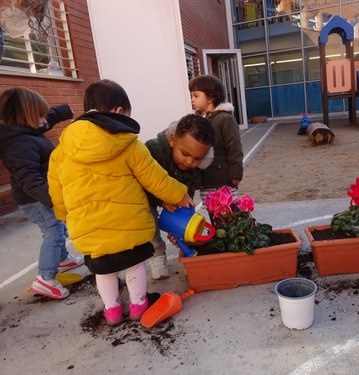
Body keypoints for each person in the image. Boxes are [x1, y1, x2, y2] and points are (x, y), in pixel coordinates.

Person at [47, 79, 192, 326]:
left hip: (88, 228)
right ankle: (138, 306)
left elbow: (56, 188)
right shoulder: (128, 144)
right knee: (134, 265)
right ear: (117, 112)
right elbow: (154, 178)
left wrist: (63, 214)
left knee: (104, 271)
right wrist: (179, 194)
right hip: (129, 226)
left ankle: (112, 311)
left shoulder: (61, 150)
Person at [0, 86, 83, 300]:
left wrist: (62, 112)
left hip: (42, 195)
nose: (44, 119)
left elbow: (45, 122)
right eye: (40, 114)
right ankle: (45, 278)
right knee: (54, 232)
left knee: (60, 227)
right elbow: (28, 179)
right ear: (26, 116)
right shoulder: (18, 143)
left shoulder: (24, 131)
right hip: (34, 198)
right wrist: (53, 199)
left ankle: (62, 259)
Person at [145, 113, 215, 280]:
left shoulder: (197, 166)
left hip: (175, 198)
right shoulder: (153, 150)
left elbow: (187, 193)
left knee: (184, 222)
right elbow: (142, 186)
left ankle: (187, 253)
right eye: (185, 154)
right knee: (149, 216)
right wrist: (162, 199)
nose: (190, 162)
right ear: (172, 139)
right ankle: (157, 254)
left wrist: (178, 223)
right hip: (150, 196)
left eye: (197, 158)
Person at [188, 74, 244, 206]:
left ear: (210, 97)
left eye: (196, 96)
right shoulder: (198, 120)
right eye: (192, 96)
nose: (192, 99)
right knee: (214, 216)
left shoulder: (224, 119)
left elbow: (234, 147)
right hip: (206, 181)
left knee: (228, 217)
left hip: (223, 180)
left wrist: (236, 173)